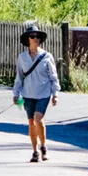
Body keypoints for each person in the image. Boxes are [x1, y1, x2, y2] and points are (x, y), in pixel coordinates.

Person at [13, 24, 60, 163]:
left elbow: (53, 76)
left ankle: (44, 147)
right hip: (28, 94)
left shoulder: (47, 56)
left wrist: (55, 94)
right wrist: (16, 94)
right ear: (28, 39)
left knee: (38, 119)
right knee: (31, 122)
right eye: (33, 36)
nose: (36, 39)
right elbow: (19, 77)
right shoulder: (22, 58)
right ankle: (35, 151)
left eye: (38, 36)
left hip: (43, 94)